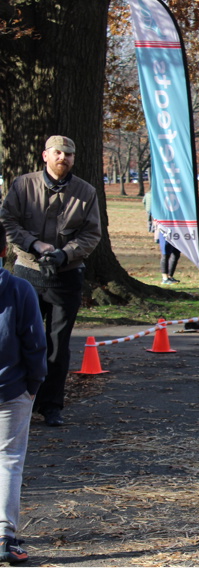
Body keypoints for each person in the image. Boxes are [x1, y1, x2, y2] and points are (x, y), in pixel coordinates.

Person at [0, 135, 102, 427]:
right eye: (57, 152)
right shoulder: (23, 185)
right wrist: (34, 245)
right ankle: (22, 400)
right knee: (22, 338)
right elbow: (7, 221)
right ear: (45, 155)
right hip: (28, 273)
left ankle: (52, 405)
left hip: (66, 275)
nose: (63, 158)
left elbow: (92, 233)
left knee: (58, 344)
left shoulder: (86, 191)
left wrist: (64, 254)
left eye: (68, 154)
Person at [0, 225, 47, 564]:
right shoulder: (20, 289)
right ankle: (4, 534)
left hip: (14, 387)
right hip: (12, 387)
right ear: (5, 251)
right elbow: (35, 342)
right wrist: (34, 383)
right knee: (9, 460)